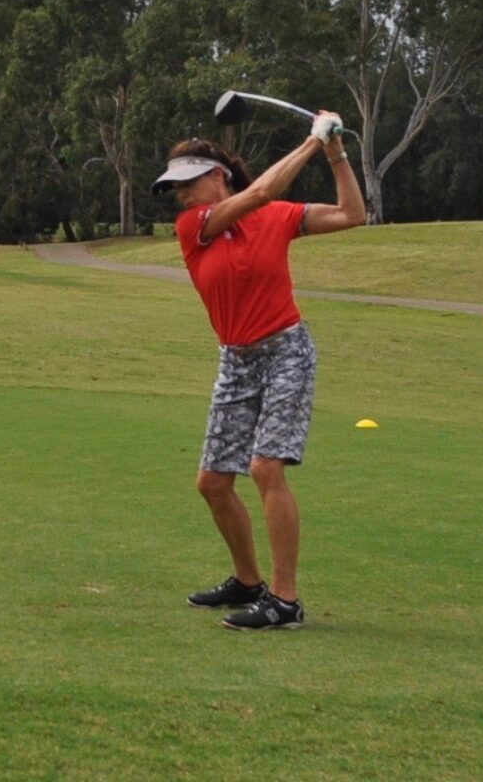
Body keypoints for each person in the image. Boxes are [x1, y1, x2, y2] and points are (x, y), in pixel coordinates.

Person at [151, 111, 366, 630]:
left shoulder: (275, 217)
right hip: (236, 359)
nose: (182, 195)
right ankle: (248, 582)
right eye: (175, 188)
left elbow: (352, 214)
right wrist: (312, 141)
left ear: (217, 175)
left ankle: (285, 601)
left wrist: (335, 151)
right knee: (212, 482)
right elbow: (262, 192)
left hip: (287, 350)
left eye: (189, 183)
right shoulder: (194, 227)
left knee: (266, 468)